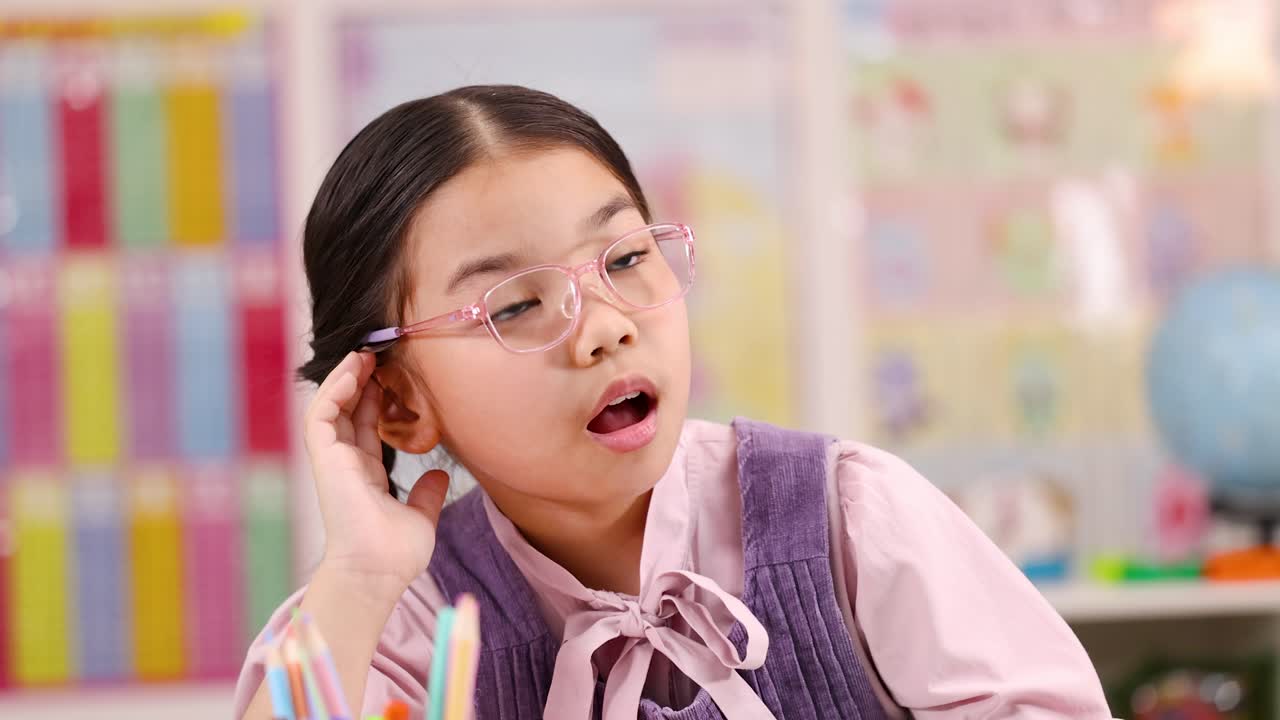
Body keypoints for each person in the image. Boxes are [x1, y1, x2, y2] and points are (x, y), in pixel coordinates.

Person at [235, 85, 1111, 719]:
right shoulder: (401, 618)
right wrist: (358, 577)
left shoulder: (846, 517)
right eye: (514, 306)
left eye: (623, 260)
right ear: (396, 405)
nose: (605, 329)